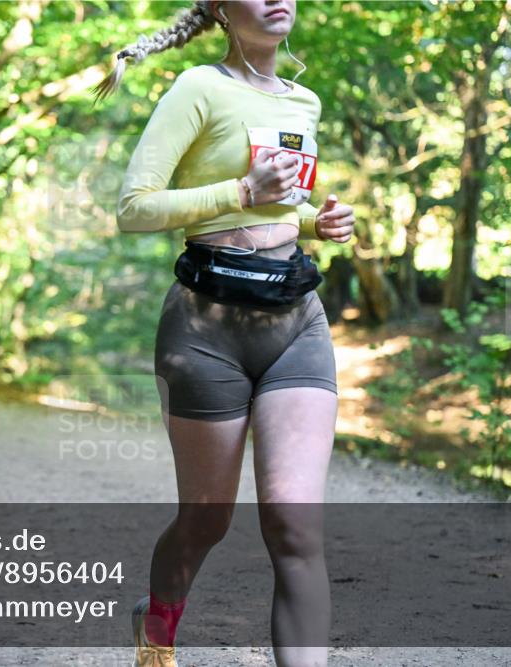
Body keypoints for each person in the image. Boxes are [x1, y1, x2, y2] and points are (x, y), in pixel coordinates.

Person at [93, 2, 356, 666]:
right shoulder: (197, 88)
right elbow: (134, 207)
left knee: (296, 529)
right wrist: (237, 188)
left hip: (296, 321)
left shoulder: (306, 100)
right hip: (206, 326)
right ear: (218, 7)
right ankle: (156, 630)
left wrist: (313, 224)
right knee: (206, 519)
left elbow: (282, 207)